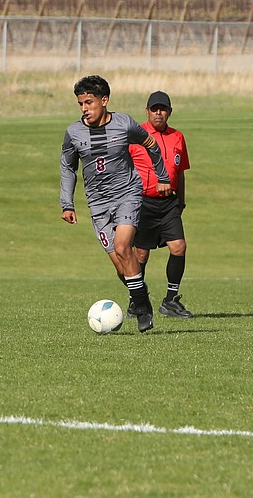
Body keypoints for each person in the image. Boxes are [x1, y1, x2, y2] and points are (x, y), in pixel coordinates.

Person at [60, 75, 170, 333]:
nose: (84, 108)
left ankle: (142, 309)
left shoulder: (125, 124)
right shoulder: (74, 133)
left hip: (127, 195)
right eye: (80, 104)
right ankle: (141, 295)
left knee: (123, 247)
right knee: (122, 268)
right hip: (97, 205)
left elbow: (151, 144)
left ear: (104, 100)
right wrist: (67, 204)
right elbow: (67, 167)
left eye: (89, 102)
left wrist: (162, 176)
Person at [130, 91, 193, 319]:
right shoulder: (135, 135)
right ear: (147, 111)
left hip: (169, 204)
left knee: (179, 247)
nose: (159, 113)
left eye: (163, 109)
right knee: (141, 253)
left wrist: (181, 201)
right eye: (154, 109)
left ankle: (170, 300)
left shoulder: (178, 137)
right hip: (143, 202)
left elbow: (181, 172)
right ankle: (135, 302)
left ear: (170, 112)